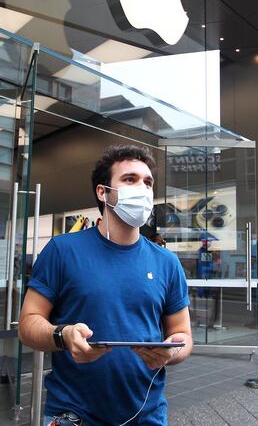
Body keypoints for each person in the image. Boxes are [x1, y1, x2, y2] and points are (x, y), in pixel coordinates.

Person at [19, 145, 192, 425]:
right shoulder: (63, 250)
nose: (143, 189)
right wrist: (63, 335)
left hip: (146, 414)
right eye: (130, 179)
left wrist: (171, 351)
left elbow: (182, 334)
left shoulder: (167, 262)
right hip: (73, 413)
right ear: (103, 192)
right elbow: (28, 324)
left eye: (148, 182)